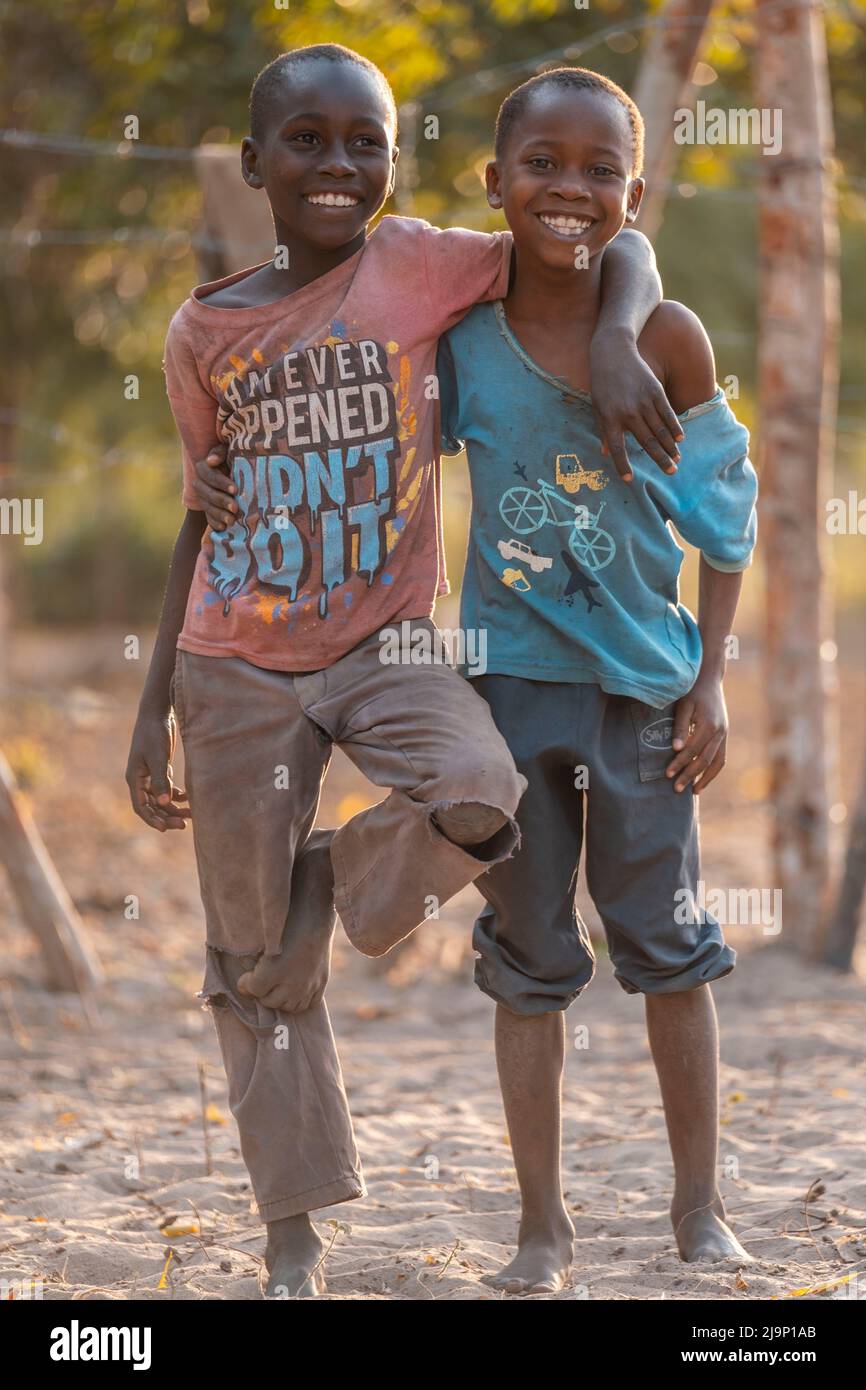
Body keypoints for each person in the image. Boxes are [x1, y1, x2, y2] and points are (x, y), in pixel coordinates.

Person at [128, 44, 680, 1298]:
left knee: (484, 786)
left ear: (396, 159)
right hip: (231, 666)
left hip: (385, 644)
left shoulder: (423, 262)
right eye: (308, 143)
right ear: (258, 161)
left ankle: (328, 893)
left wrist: (615, 336)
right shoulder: (202, 327)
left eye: (364, 142)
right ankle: (293, 1236)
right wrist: (149, 701)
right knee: (248, 967)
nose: (338, 166)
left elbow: (610, 242)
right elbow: (198, 512)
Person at [432, 67, 758, 1293]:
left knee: (668, 948)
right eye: (541, 165)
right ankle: (539, 1227)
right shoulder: (462, 337)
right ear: (494, 182)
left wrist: (710, 679)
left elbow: (723, 523)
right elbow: (405, 484)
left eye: (598, 171)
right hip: (510, 688)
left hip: (642, 692)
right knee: (527, 957)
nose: (569, 189)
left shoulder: (667, 335)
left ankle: (698, 1208)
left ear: (634, 191)